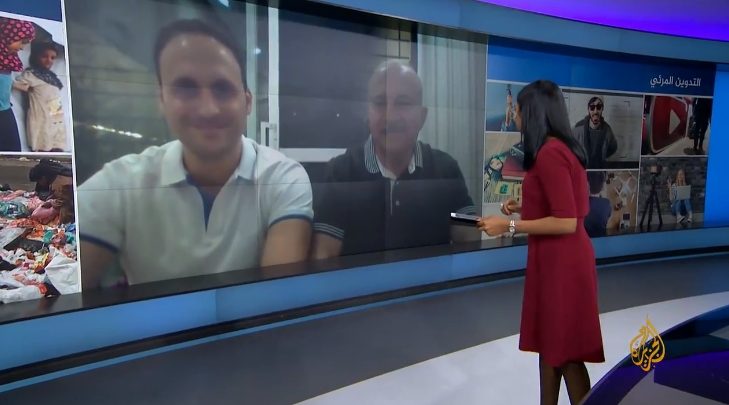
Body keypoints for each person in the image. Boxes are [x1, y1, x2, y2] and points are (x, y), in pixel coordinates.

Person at [78, 19, 313, 287]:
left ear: (247, 102)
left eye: (223, 89)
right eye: (186, 89)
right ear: (162, 100)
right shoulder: (121, 182)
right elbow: (57, 287)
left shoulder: (282, 177)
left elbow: (277, 296)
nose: (208, 109)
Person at [478, 80, 604, 405]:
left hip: (562, 263)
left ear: (533, 113)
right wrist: (524, 206)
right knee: (554, 347)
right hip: (560, 259)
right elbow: (564, 205)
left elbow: (565, 220)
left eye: (519, 110)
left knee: (564, 351)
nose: (515, 116)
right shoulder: (561, 149)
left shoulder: (550, 154)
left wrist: (508, 225)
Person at [311, 60, 478, 258]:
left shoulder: (446, 169)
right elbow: (324, 255)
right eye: (380, 103)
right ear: (368, 114)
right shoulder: (341, 172)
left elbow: (471, 238)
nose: (390, 116)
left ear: (422, 117)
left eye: (403, 103)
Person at [14, 41, 67, 152]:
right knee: (43, 139)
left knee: (56, 139)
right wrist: (27, 89)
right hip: (40, 113)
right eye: (44, 56)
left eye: (52, 58)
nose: (49, 60)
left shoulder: (52, 77)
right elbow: (16, 84)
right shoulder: (31, 74)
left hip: (55, 111)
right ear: (36, 56)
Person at [0, 17, 35, 151]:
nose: (22, 47)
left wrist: (16, 85)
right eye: (22, 42)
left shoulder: (7, 59)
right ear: (8, 35)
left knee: (13, 151)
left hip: (5, 111)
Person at [574, 96, 617, 169]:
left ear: (602, 109)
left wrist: (602, 157)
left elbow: (613, 147)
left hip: (599, 171)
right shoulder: (578, 128)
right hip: (582, 172)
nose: (595, 111)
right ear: (588, 109)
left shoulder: (607, 130)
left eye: (599, 107)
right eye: (592, 107)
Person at [584, 171, 610, 237]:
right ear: (602, 186)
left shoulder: (583, 203)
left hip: (586, 239)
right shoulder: (607, 203)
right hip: (602, 239)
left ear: (588, 184)